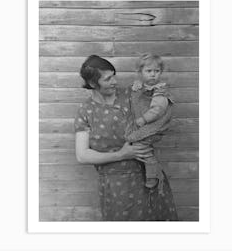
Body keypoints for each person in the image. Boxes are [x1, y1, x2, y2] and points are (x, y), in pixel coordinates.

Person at [74, 55, 178, 221]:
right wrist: (122, 154)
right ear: (93, 84)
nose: (115, 81)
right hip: (115, 187)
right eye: (108, 79)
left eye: (114, 75)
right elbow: (82, 155)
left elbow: (160, 108)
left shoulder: (131, 94)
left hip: (147, 177)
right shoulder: (86, 111)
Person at [124, 53, 174, 189]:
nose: (153, 74)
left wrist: (144, 119)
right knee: (137, 144)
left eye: (157, 71)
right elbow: (134, 100)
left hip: (154, 125)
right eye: (149, 71)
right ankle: (144, 168)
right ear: (140, 72)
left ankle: (153, 174)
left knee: (141, 146)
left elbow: (157, 110)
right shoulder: (141, 86)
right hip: (142, 123)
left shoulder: (160, 91)